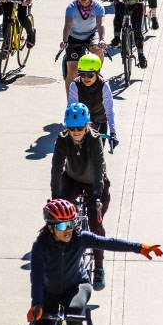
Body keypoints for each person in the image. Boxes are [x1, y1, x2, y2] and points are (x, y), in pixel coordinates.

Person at [27, 198, 163, 325]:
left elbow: (108, 243)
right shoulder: (40, 246)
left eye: (72, 223)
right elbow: (36, 276)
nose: (68, 230)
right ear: (50, 227)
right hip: (48, 292)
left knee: (75, 311)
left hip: (76, 286)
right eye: (63, 226)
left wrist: (139, 247)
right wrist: (36, 303)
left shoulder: (80, 238)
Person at [51, 102, 110, 290]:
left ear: (86, 126)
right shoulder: (62, 139)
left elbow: (100, 167)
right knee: (60, 215)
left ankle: (99, 267)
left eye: (79, 128)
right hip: (73, 178)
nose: (75, 132)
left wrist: (97, 195)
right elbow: (56, 167)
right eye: (71, 128)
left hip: (95, 182)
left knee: (95, 223)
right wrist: (55, 196)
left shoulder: (93, 139)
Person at [60, 0, 106, 96]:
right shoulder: (71, 7)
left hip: (91, 35)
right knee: (73, 71)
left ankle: (97, 71)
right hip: (74, 36)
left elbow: (100, 24)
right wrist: (65, 41)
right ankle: (70, 102)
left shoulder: (98, 7)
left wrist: (102, 40)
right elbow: (67, 25)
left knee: (97, 48)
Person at [68, 54, 117, 145]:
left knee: (98, 155)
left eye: (90, 75)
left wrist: (113, 133)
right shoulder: (74, 85)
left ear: (97, 72)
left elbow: (109, 110)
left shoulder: (104, 86)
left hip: (100, 122)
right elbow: (72, 109)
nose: (86, 78)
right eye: (82, 74)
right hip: (81, 125)